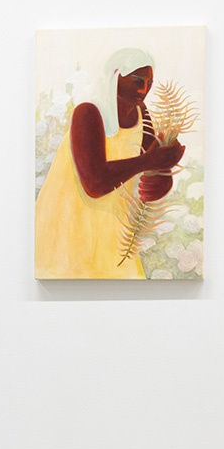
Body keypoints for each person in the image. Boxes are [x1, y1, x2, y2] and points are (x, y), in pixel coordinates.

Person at [34, 47, 185, 278]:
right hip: (70, 220)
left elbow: (150, 171)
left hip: (112, 224)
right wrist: (151, 160)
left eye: (149, 83)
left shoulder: (140, 112)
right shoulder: (88, 112)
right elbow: (94, 183)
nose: (144, 90)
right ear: (116, 75)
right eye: (137, 80)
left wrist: (165, 167)